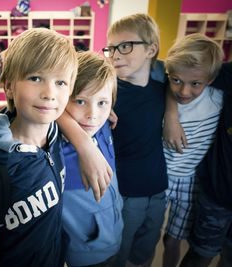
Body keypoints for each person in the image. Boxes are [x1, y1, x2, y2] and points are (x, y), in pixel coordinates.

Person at [0, 27, 77, 266]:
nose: (49, 93)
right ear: (9, 86)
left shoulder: (55, 134)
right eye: (35, 78)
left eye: (61, 82)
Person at [101, 13, 168, 267]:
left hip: (158, 189)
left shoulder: (163, 91)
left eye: (125, 46)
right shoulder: (108, 95)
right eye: (111, 48)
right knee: (118, 253)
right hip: (125, 194)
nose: (115, 55)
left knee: (145, 252)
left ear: (151, 49)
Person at [159, 33, 224, 267]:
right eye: (177, 80)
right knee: (146, 235)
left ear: (211, 79)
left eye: (195, 84)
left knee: (174, 239)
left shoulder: (218, 98)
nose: (184, 92)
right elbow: (167, 83)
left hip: (191, 181)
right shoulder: (163, 92)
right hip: (159, 177)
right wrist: (171, 112)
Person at [61, 51, 123, 267]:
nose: (92, 114)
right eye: (80, 101)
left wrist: (103, 104)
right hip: (83, 251)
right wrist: (83, 144)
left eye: (102, 103)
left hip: (115, 233)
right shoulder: (55, 141)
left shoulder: (103, 123)